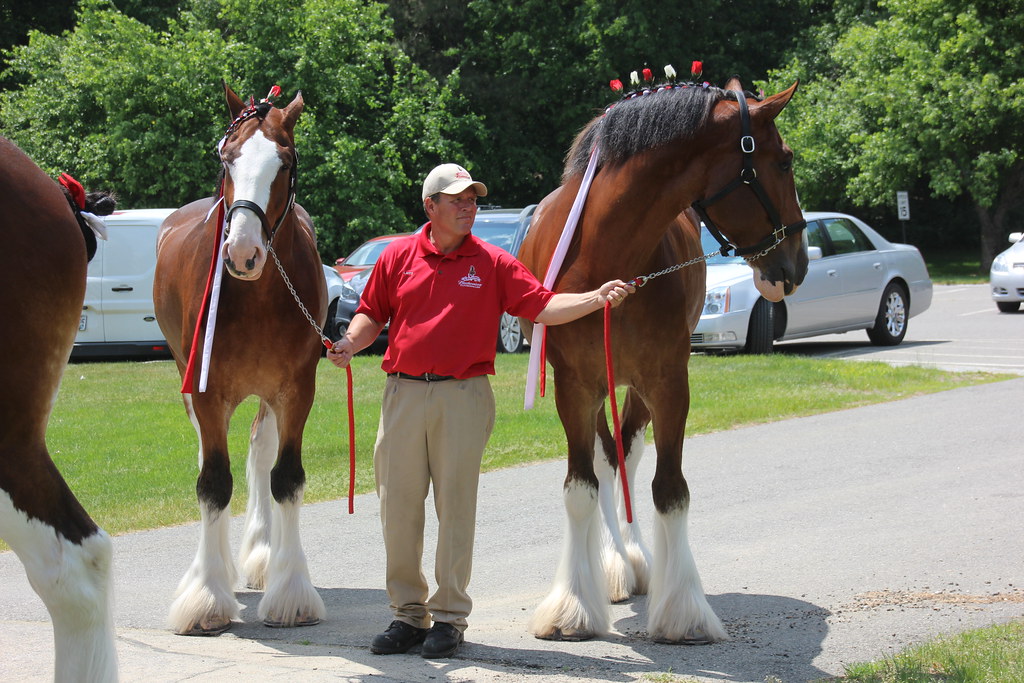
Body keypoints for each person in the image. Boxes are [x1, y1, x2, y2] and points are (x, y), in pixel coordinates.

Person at [328, 163, 634, 659]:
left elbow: (542, 306)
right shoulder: (398, 256)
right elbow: (371, 313)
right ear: (430, 207)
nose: (468, 206)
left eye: (472, 199)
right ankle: (407, 615)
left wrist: (597, 298)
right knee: (398, 508)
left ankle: (448, 619)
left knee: (455, 509)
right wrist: (349, 341)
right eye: (457, 199)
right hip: (402, 394)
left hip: (464, 396)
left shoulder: (492, 262)